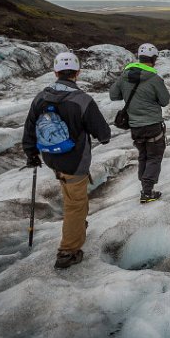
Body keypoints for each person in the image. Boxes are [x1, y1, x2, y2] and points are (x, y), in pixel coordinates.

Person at [22, 52, 111, 269]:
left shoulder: (41, 97)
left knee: (72, 197)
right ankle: (68, 251)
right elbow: (104, 134)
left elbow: (30, 128)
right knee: (75, 205)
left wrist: (31, 153)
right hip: (75, 161)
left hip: (52, 157)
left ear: (56, 72)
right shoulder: (82, 100)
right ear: (77, 73)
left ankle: (78, 225)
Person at [110, 43, 170, 203]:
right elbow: (165, 101)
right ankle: (147, 192)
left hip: (135, 126)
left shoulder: (125, 75)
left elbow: (113, 95)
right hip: (153, 125)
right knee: (154, 156)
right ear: (153, 59)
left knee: (143, 155)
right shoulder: (155, 79)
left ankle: (145, 186)